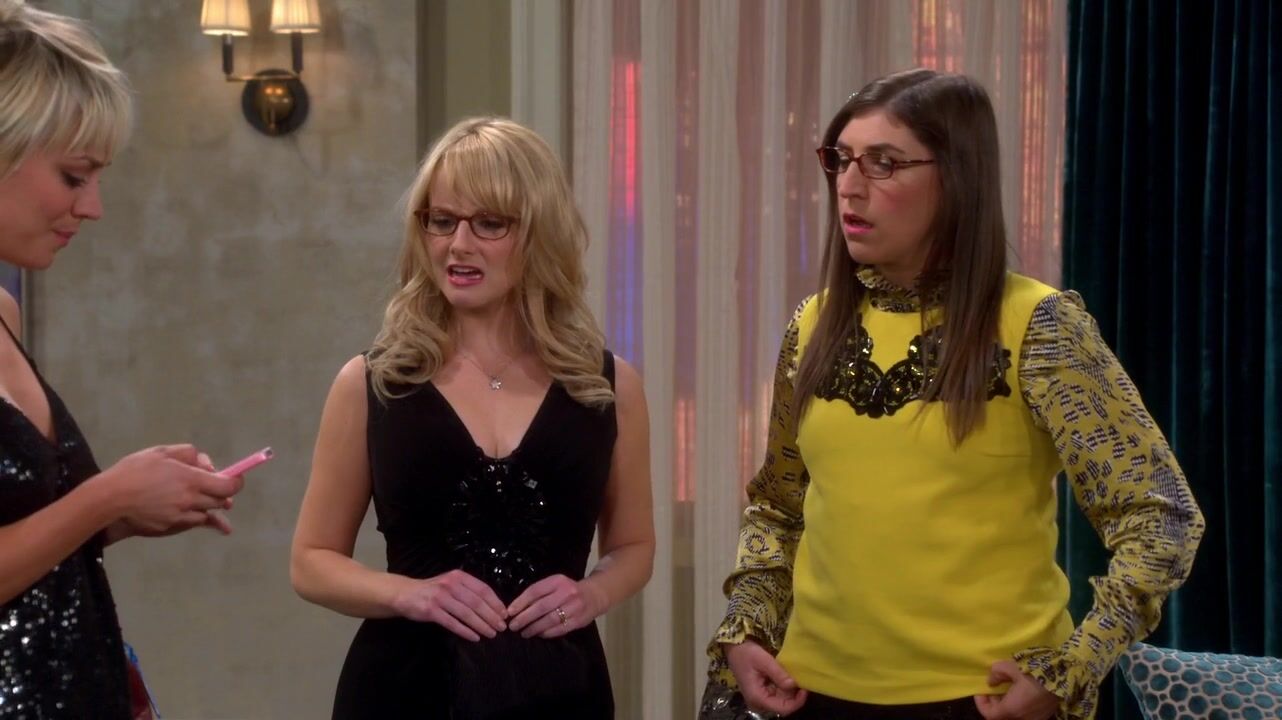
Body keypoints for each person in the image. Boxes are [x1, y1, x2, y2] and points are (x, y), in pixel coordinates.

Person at [699, 68, 1205, 720]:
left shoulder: (1038, 326)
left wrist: (1074, 666)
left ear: (958, 177)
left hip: (982, 699)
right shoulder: (813, 323)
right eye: (841, 159)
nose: (849, 185)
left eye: (884, 163)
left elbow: (1161, 516)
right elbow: (777, 507)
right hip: (811, 692)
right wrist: (746, 629)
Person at [291, 116, 655, 719]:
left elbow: (635, 546)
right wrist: (411, 595)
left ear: (538, 233)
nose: (458, 245)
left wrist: (593, 594)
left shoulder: (608, 388)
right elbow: (311, 562)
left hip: (560, 692)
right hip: (403, 693)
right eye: (442, 220)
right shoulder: (371, 385)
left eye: (488, 223)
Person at [0, 2, 247, 717]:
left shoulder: (5, 315)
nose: (94, 208)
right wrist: (105, 497)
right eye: (74, 176)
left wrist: (128, 510)